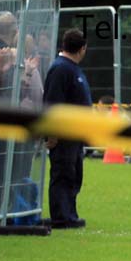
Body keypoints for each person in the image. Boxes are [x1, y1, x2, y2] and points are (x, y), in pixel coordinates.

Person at [42, 29, 91, 229]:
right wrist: (52, 133)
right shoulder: (61, 69)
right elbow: (52, 103)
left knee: (73, 174)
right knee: (63, 174)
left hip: (75, 134)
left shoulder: (70, 68)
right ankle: (61, 217)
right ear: (82, 49)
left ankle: (69, 213)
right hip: (63, 134)